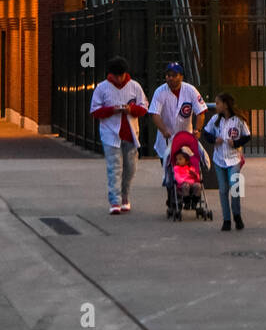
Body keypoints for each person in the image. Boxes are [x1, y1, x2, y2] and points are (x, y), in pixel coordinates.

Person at [89, 55, 148, 215]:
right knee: (114, 167)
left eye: (121, 74)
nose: (119, 78)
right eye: (116, 75)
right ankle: (115, 200)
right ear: (111, 75)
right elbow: (94, 111)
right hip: (110, 134)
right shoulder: (102, 88)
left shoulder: (134, 87)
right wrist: (112, 110)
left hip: (130, 133)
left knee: (130, 168)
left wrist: (131, 109)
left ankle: (125, 195)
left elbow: (144, 108)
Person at [203, 92, 251, 231]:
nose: (216, 106)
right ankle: (226, 219)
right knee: (223, 189)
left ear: (225, 104)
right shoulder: (215, 119)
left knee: (235, 186)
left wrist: (236, 143)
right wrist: (214, 140)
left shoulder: (238, 120)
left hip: (234, 158)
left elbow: (247, 136)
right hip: (219, 159)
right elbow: (206, 133)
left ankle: (237, 214)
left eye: (218, 103)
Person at [149, 62, 207, 173]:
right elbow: (154, 113)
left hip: (185, 136)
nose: (170, 78)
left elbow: (201, 112)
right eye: (168, 75)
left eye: (174, 75)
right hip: (166, 137)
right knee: (169, 172)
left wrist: (198, 130)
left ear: (181, 77)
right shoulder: (160, 91)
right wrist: (164, 130)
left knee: (187, 170)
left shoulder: (190, 90)